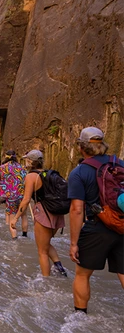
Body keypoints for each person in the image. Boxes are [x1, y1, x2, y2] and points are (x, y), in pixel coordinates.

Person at [67, 127, 124, 314]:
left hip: (97, 227)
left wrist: (74, 243)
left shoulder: (79, 172)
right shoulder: (120, 164)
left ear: (81, 147)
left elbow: (76, 210)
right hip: (122, 225)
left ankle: (80, 317)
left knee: (82, 274)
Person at [20, 149, 68, 277]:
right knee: (45, 244)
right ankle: (59, 268)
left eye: (26, 160)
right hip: (57, 213)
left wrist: (15, 218)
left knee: (42, 251)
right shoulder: (50, 174)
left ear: (30, 162)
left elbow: (26, 200)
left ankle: (46, 281)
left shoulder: (31, 176)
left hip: (44, 214)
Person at [0, 150, 29, 239]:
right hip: (22, 195)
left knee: (12, 217)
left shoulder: (2, 167)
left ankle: (14, 238)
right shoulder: (22, 167)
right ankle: (25, 235)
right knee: (24, 215)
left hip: (10, 197)